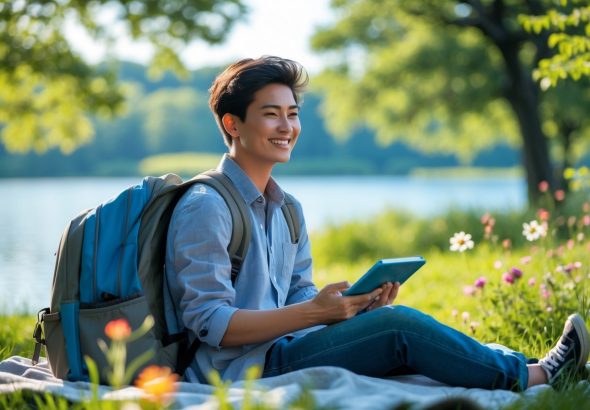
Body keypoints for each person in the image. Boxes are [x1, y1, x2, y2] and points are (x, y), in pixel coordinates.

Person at [163, 55, 590, 390]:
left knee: (385, 322)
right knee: (397, 327)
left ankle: (530, 364)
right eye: (271, 114)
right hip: (243, 369)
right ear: (232, 123)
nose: (287, 127)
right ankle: (536, 376)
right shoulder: (206, 205)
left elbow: (299, 295)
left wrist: (349, 311)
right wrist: (314, 313)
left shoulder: (287, 207)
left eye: (293, 114)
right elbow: (212, 323)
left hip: (288, 347)